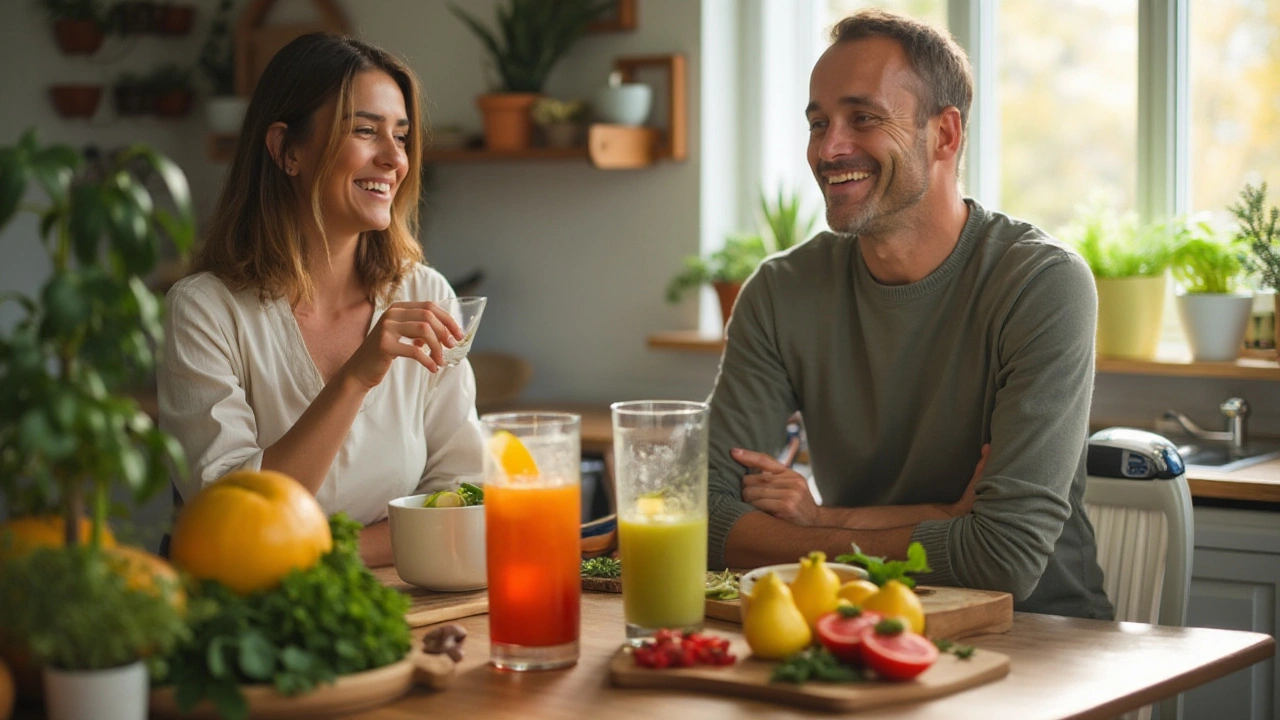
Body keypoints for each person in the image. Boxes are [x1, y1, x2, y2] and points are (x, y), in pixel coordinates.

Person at [706, 9, 1113, 619]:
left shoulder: (1041, 284)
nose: (828, 147)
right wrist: (950, 522)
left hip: (1037, 639)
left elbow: (1003, 559)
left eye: (863, 118)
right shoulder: (779, 290)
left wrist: (821, 522)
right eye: (818, 123)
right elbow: (708, 522)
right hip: (854, 627)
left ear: (944, 134)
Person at [158, 33, 484, 568]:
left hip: (398, 605)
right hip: (250, 616)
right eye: (364, 131)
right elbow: (234, 523)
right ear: (287, 149)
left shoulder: (426, 294)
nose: (393, 159)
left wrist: (314, 551)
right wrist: (357, 375)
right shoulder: (203, 311)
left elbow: (465, 495)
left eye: (401, 137)